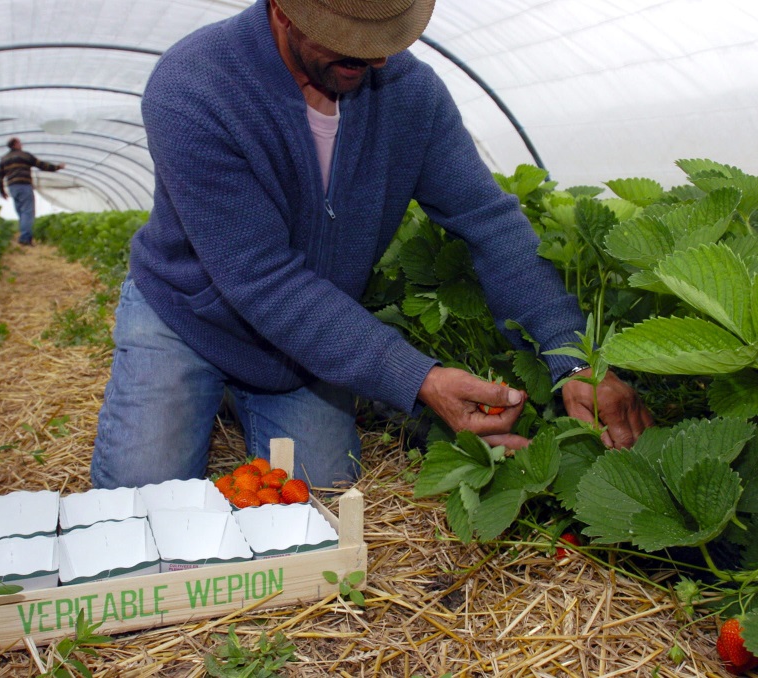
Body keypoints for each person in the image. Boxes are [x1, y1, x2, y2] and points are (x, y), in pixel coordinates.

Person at [90, 0, 653, 490]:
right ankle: (206, 387)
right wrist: (419, 379)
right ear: (285, 10)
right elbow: (262, 279)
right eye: (350, 41)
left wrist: (572, 358)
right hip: (188, 317)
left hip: (301, 345)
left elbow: (489, 220)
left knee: (322, 503)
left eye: (386, 38)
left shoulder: (411, 94)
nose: (377, 58)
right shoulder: (195, 85)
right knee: (140, 507)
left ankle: (245, 398)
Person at [0, 138, 65, 245]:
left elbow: (0, 177)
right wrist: (57, 167)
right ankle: (25, 238)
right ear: (15, 145)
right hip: (24, 185)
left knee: (20, 211)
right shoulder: (24, 156)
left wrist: (2, 191)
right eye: (19, 143)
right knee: (27, 212)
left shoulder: (4, 159)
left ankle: (24, 234)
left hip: (13, 187)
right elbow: (41, 165)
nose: (21, 144)